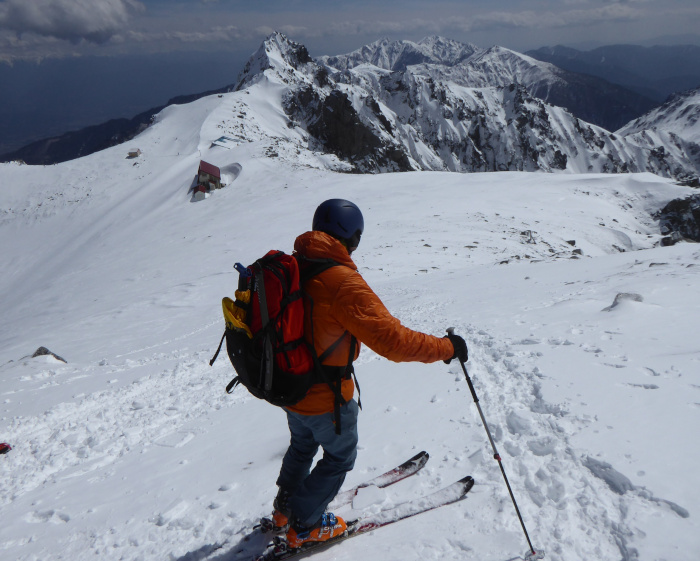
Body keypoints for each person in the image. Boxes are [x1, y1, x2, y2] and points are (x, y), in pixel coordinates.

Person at [271, 198, 469, 548]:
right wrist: (447, 348)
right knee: (339, 456)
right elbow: (394, 342)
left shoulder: (295, 265)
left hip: (289, 387)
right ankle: (305, 525)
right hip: (326, 396)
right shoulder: (342, 282)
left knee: (302, 445)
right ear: (353, 238)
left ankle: (284, 511)